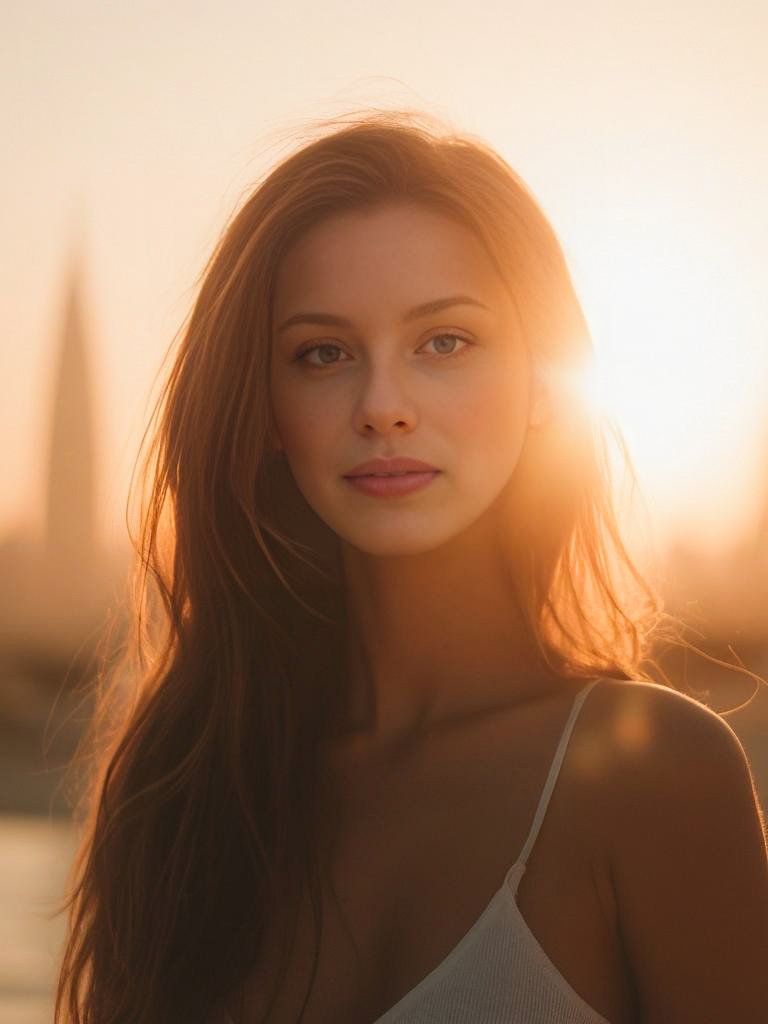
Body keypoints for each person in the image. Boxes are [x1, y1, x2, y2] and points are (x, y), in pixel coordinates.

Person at [54, 109, 768, 1024]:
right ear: (266, 411)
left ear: (546, 380)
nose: (383, 405)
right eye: (324, 354)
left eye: (445, 342)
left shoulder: (654, 776)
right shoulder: (182, 798)